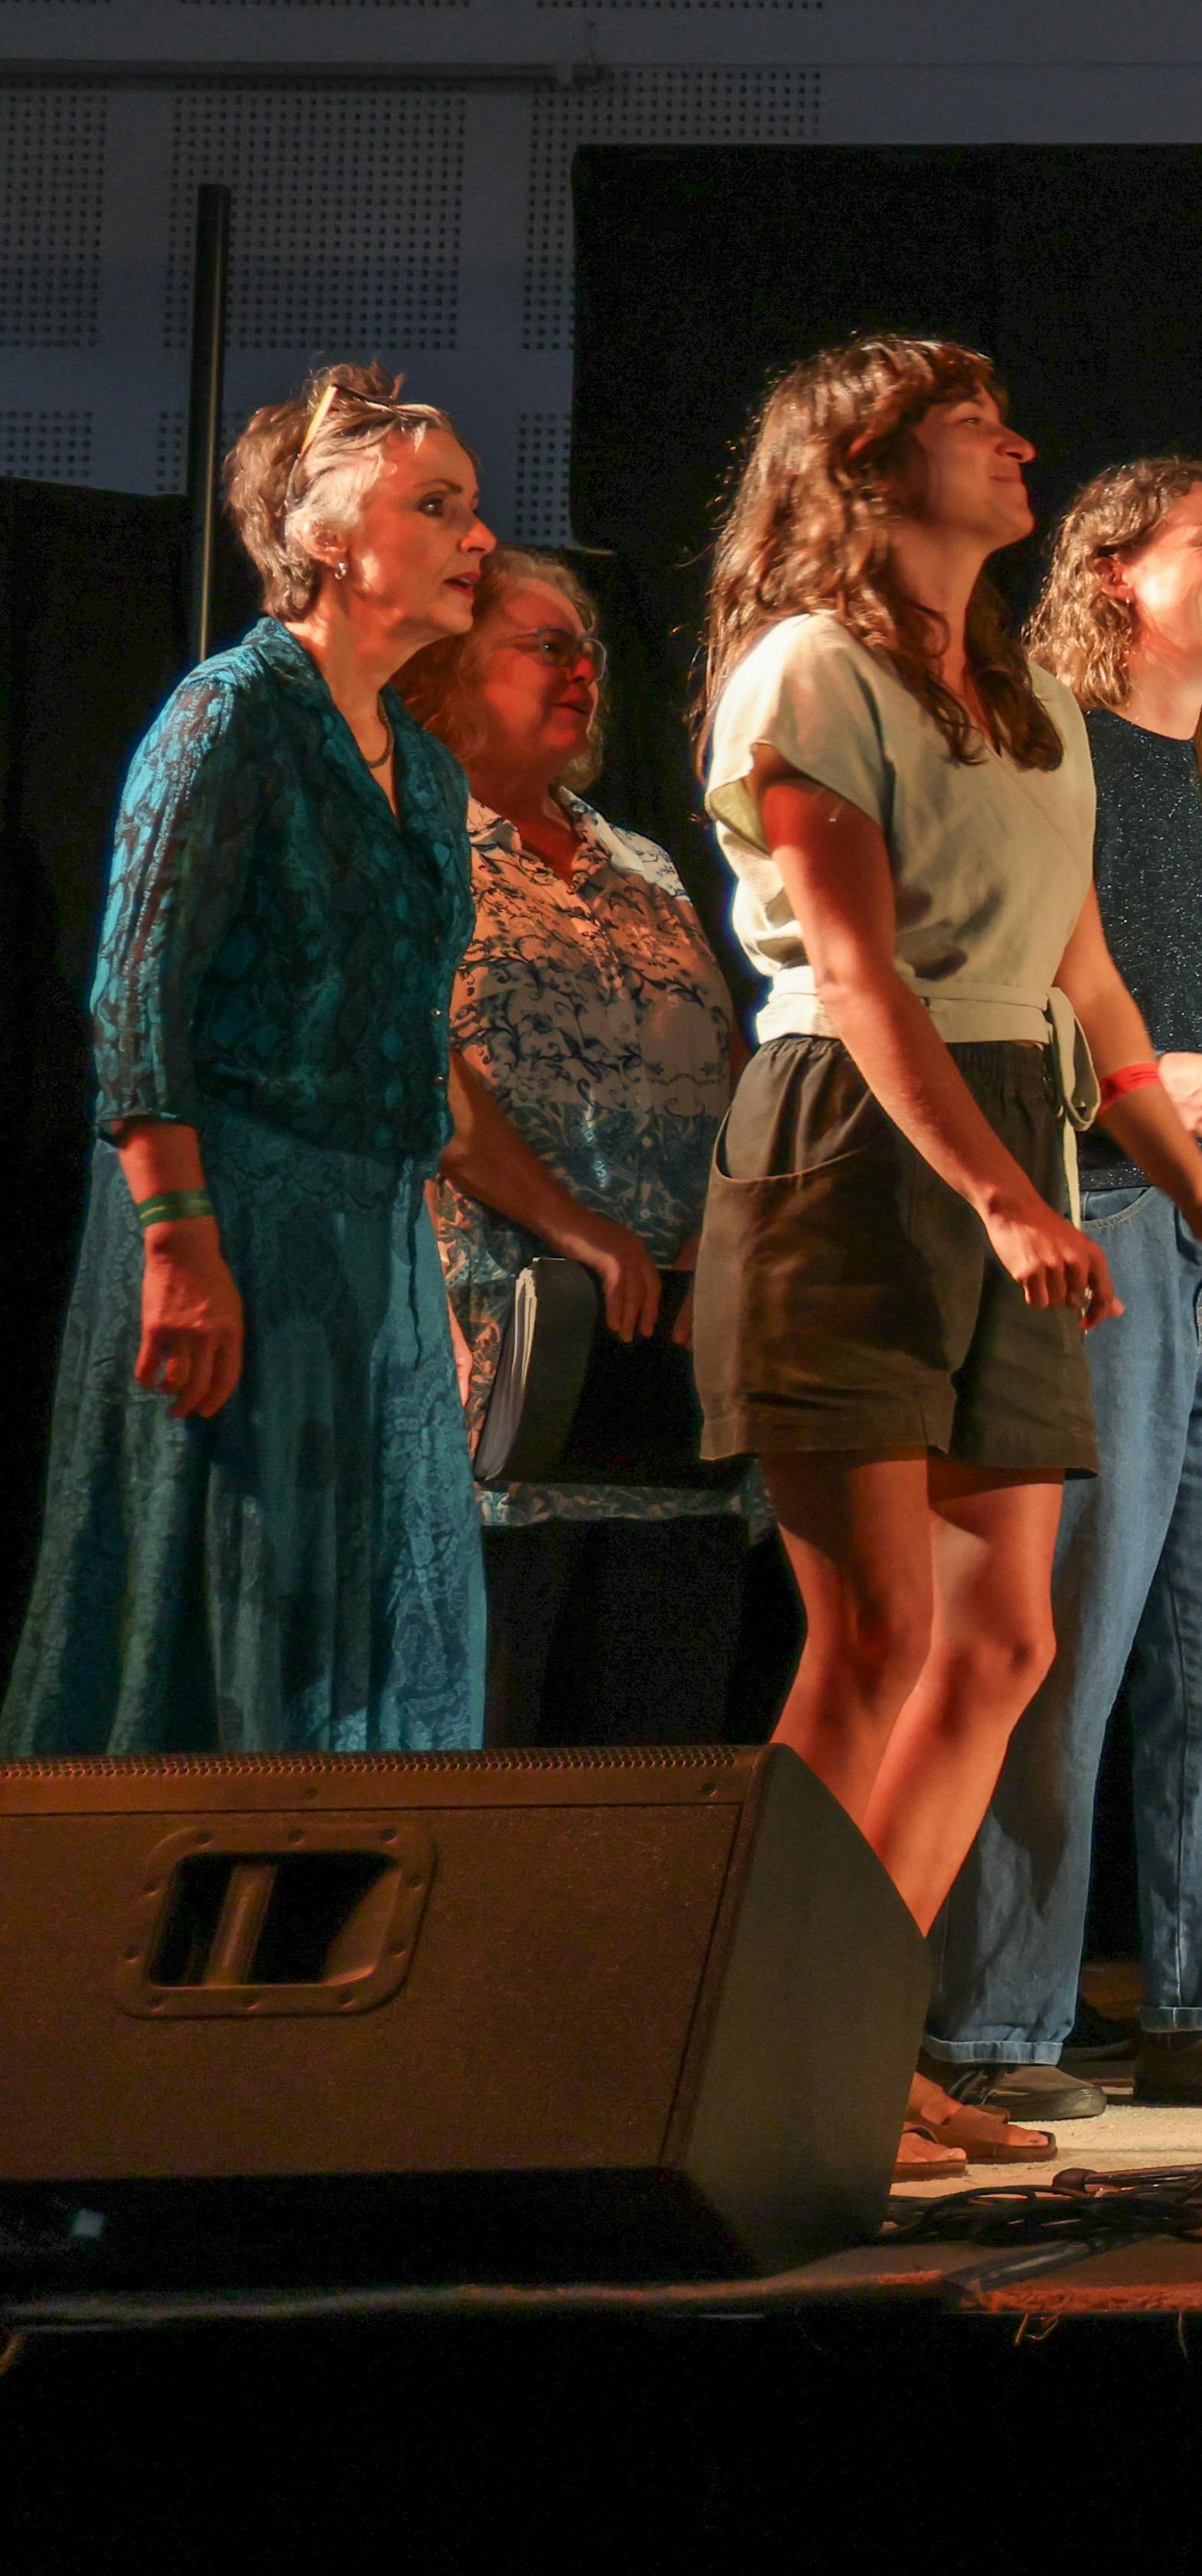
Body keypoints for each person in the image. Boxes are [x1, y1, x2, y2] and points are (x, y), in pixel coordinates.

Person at [685, 341, 1202, 2177]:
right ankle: (746, 2045)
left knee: (1006, 1635)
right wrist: (1013, 1199)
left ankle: (860, 2038)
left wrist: (1190, 1187)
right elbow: (861, 974)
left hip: (1017, 1116)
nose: (1020, 443)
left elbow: (1090, 977)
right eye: (974, 427)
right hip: (859, 1144)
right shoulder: (809, 671)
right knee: (874, 1635)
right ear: (864, 471)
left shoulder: (1022, 695)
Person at [923, 458, 1202, 2125]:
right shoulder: (1044, 744)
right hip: (1098, 1203)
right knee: (1068, 1624)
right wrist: (1137, 1088)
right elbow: (1016, 971)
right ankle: (993, 2024)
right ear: (1108, 571)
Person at [8, 370, 496, 1766]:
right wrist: (176, 1242)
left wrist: (423, 1276)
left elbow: (407, 1034)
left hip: (374, 1238)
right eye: (438, 508)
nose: (476, 538)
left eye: (471, 510)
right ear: (331, 535)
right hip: (239, 1217)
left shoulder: (429, 769)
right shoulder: (230, 715)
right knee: (243, 1608)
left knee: (399, 1612)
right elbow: (137, 998)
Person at [409, 546, 772, 1750]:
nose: (581, 670)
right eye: (543, 645)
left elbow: (732, 1074)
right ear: (450, 674)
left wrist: (715, 1250)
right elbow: (423, 1079)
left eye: (590, 650)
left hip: (669, 1361)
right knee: (499, 1750)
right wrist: (582, 1235)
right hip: (497, 1375)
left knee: (654, 1745)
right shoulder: (413, 850)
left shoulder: (648, 866)